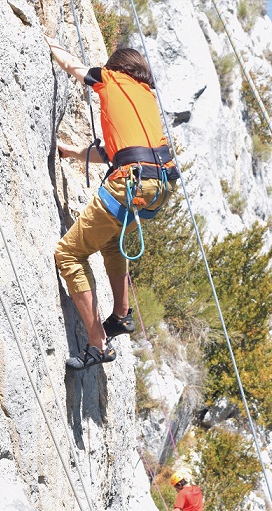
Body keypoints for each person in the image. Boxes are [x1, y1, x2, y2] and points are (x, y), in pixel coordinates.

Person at [44, 35, 178, 370]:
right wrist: (74, 153)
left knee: (69, 254)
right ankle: (121, 315)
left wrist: (48, 42)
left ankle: (97, 344)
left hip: (130, 183)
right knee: (110, 243)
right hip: (158, 187)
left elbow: (73, 66)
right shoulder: (146, 97)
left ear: (116, 67)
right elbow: (115, 151)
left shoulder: (111, 78)